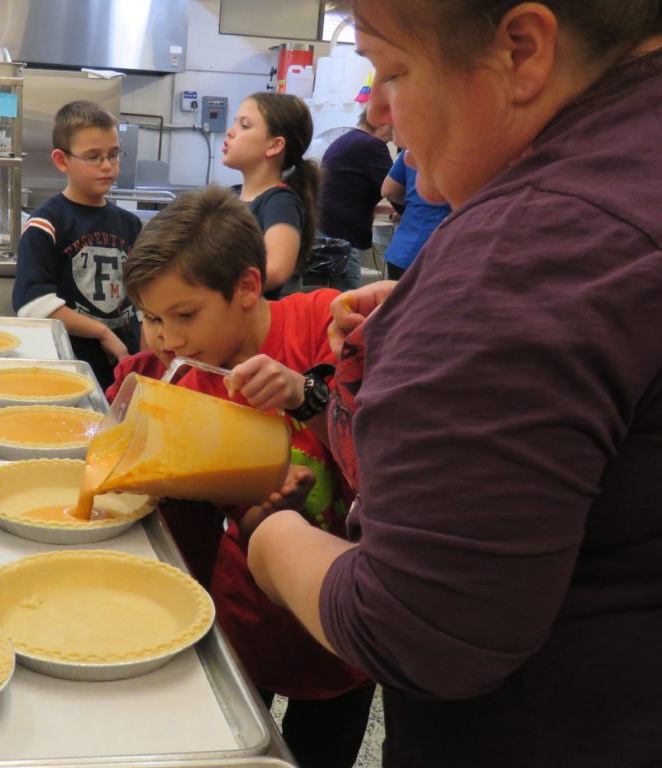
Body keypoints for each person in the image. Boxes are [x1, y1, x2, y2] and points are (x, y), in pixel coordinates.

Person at [243, 2, 662, 765]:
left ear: (522, 51)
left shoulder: (527, 254)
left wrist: (269, 541)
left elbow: (421, 627)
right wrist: (426, 314)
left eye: (392, 68)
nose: (374, 108)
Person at [124, 185, 373, 768]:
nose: (171, 339)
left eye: (185, 315)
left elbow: (391, 446)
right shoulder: (185, 378)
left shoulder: (326, 324)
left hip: (343, 620)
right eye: (153, 319)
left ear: (247, 288)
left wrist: (305, 395)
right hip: (244, 615)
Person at [12, 100, 142, 389]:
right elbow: (33, 304)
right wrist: (102, 333)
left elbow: (144, 301)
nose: (107, 165)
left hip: (124, 365)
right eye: (93, 157)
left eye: (113, 154)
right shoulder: (46, 225)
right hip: (68, 367)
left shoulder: (130, 225)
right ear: (62, 160)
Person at [222, 92, 322, 300]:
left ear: (275, 145)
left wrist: (214, 290)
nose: (230, 132)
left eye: (245, 125)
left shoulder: (280, 202)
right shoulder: (231, 196)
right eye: (235, 123)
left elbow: (276, 269)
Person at [317, 111, 394, 290]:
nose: (393, 138)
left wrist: (378, 209)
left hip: (325, 231)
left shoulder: (347, 140)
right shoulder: (373, 145)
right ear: (381, 122)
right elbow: (395, 188)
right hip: (339, 238)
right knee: (347, 298)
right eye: (394, 129)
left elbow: (344, 192)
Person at [380, 146, 451, 279]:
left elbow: (389, 191)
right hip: (440, 253)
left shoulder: (414, 146)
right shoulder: (471, 151)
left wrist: (413, 206)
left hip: (401, 250)